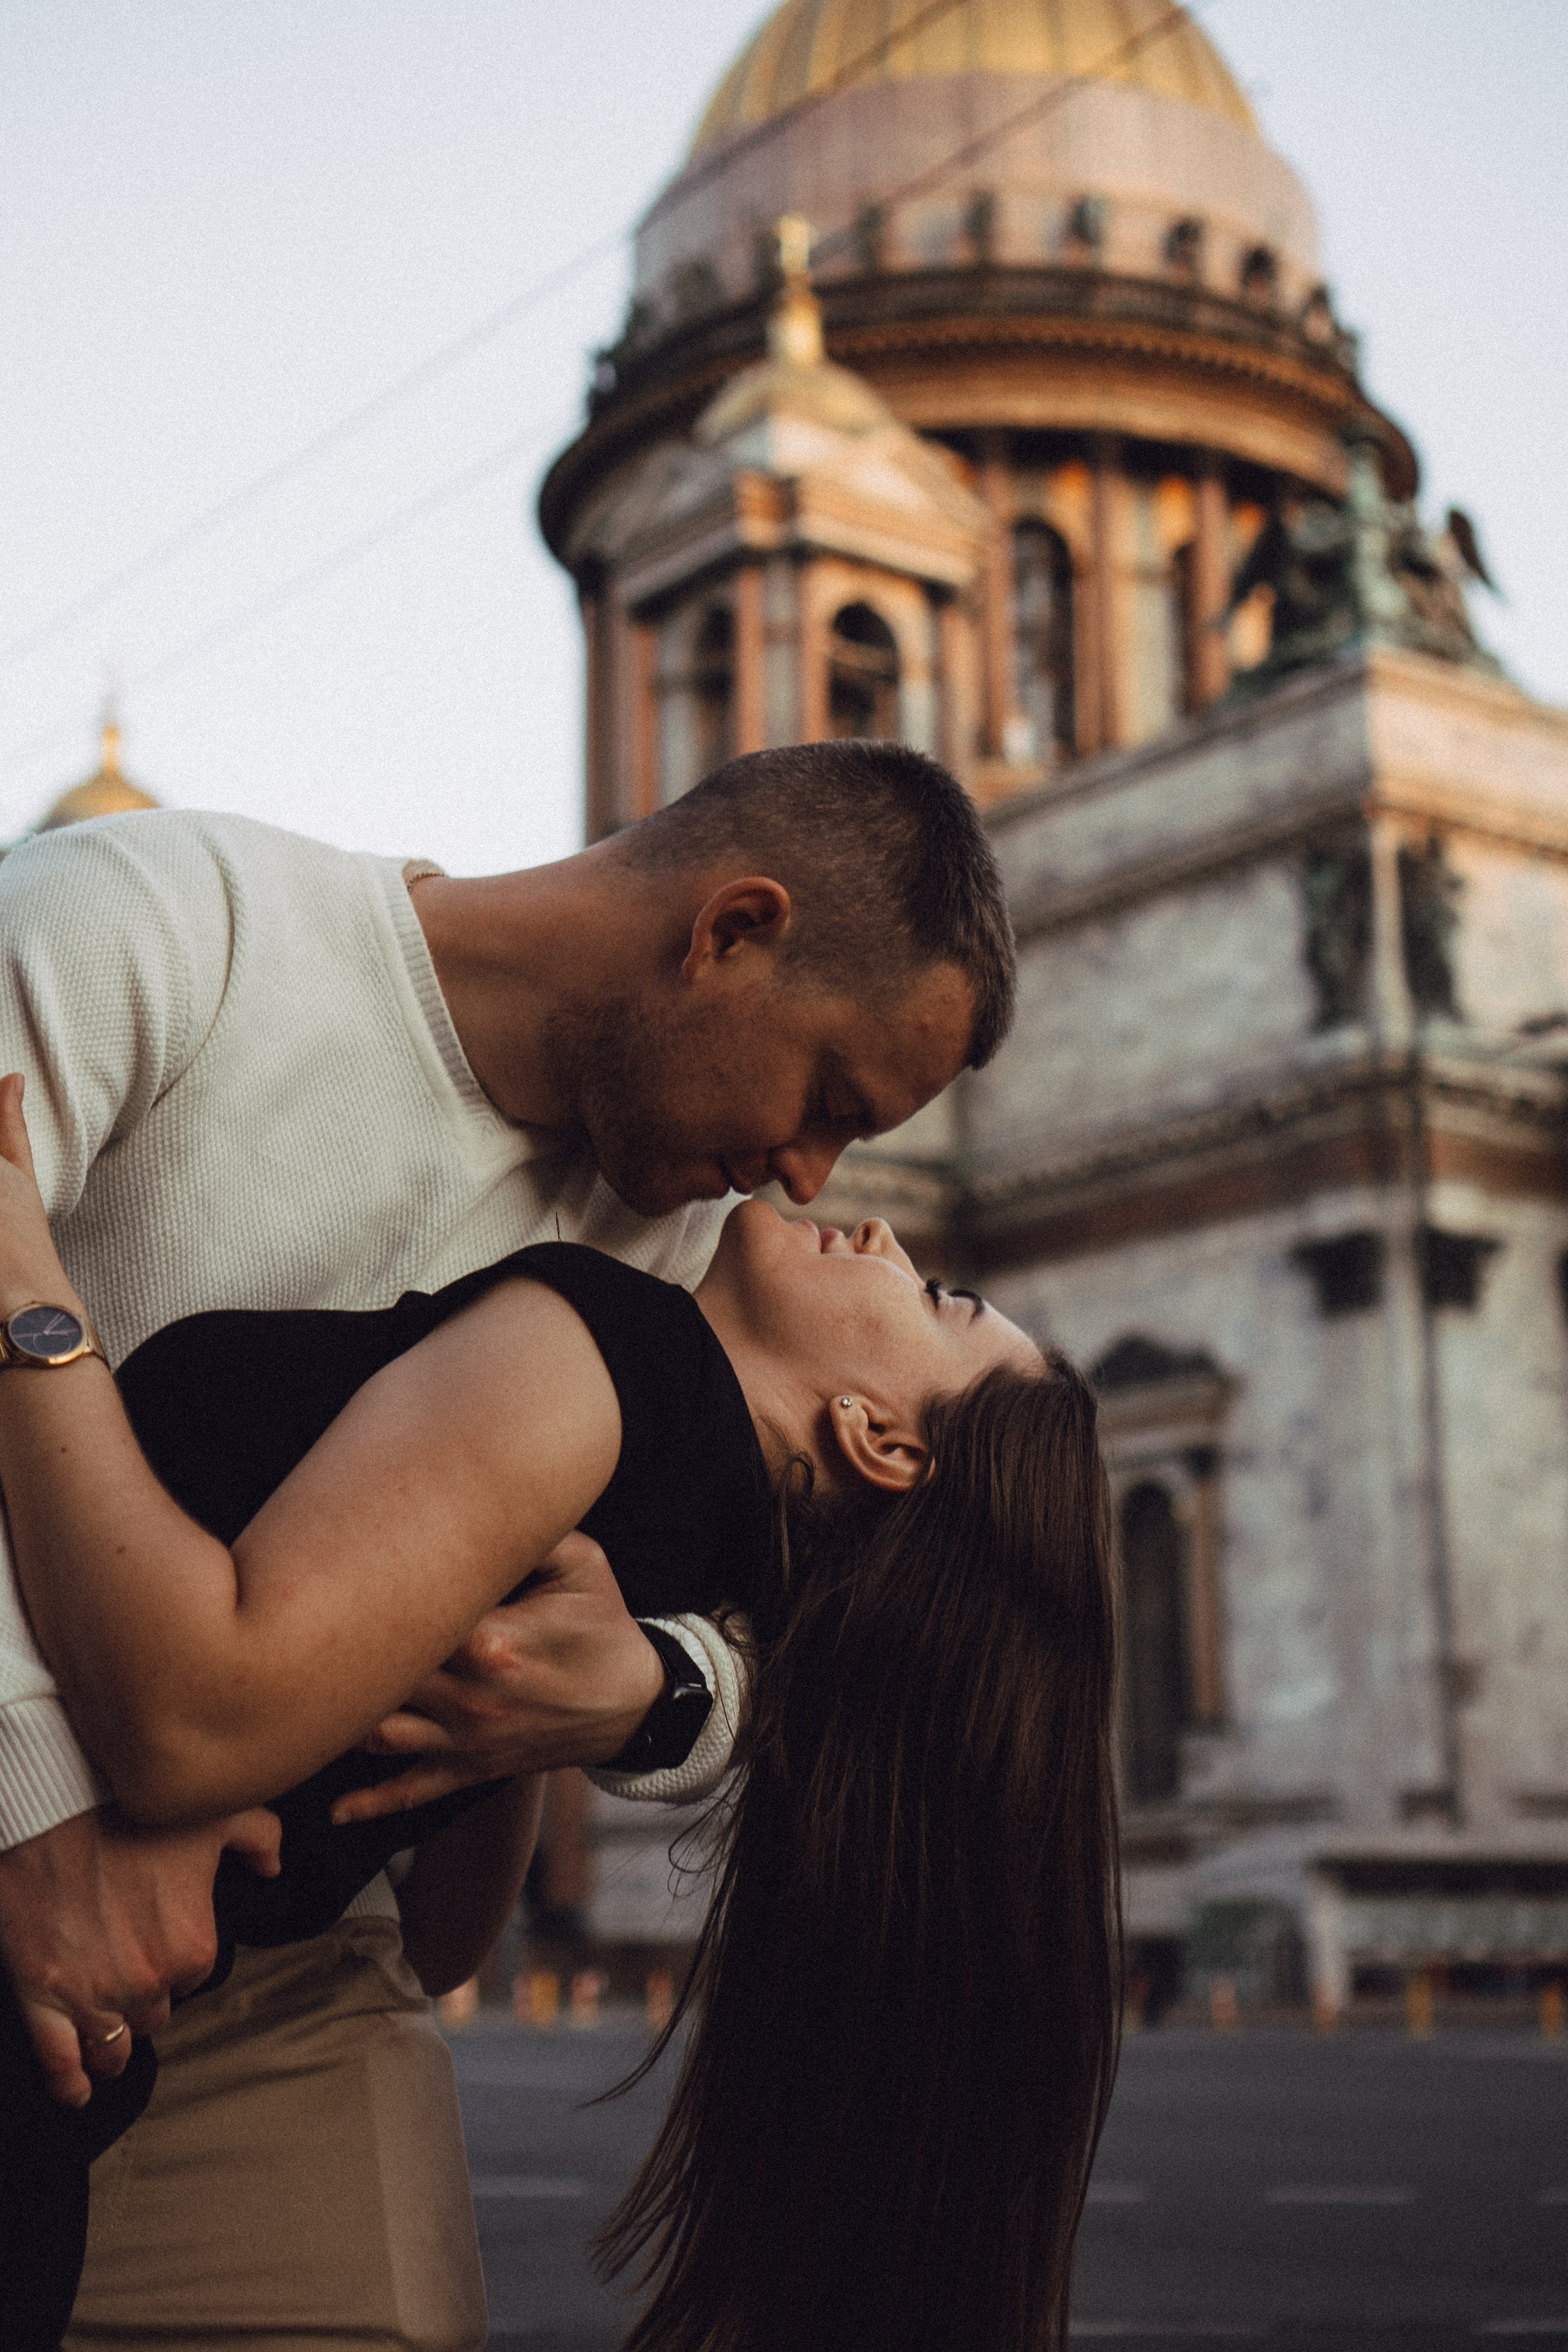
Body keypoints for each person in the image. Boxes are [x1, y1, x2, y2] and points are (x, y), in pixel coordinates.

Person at [0, 738, 1016, 2350]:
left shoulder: (686, 1253)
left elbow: (855, 1613)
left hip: (295, 1990)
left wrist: (652, 1695)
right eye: (827, 1100)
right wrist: (35, 1798)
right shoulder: (161, 923)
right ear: (731, 930)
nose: (810, 1178)